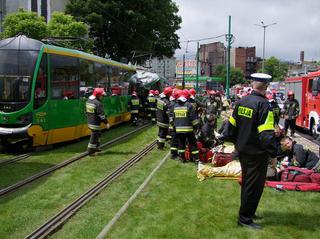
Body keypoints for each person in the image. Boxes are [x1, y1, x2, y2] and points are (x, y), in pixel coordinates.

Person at [223, 73, 279, 230]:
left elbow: (230, 128)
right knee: (253, 186)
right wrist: (274, 154)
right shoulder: (264, 105)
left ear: (253, 84)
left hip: (243, 151)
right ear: (266, 86)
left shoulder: (242, 101)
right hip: (256, 153)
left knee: (249, 183)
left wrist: (237, 144)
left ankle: (249, 212)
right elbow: (266, 135)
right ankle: (245, 219)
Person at [170, 89, 199, 163]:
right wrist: (197, 127)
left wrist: (174, 126)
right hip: (189, 130)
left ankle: (182, 159)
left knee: (181, 144)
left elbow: (172, 118)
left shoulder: (175, 106)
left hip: (179, 130)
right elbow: (193, 118)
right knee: (193, 144)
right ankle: (196, 159)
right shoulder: (189, 105)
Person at [86, 88, 109, 155]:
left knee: (98, 134)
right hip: (95, 123)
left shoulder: (89, 100)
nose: (103, 97)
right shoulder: (98, 103)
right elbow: (101, 115)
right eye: (102, 95)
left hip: (90, 121)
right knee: (94, 136)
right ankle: (90, 151)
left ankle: (96, 147)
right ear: (98, 95)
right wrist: (106, 123)